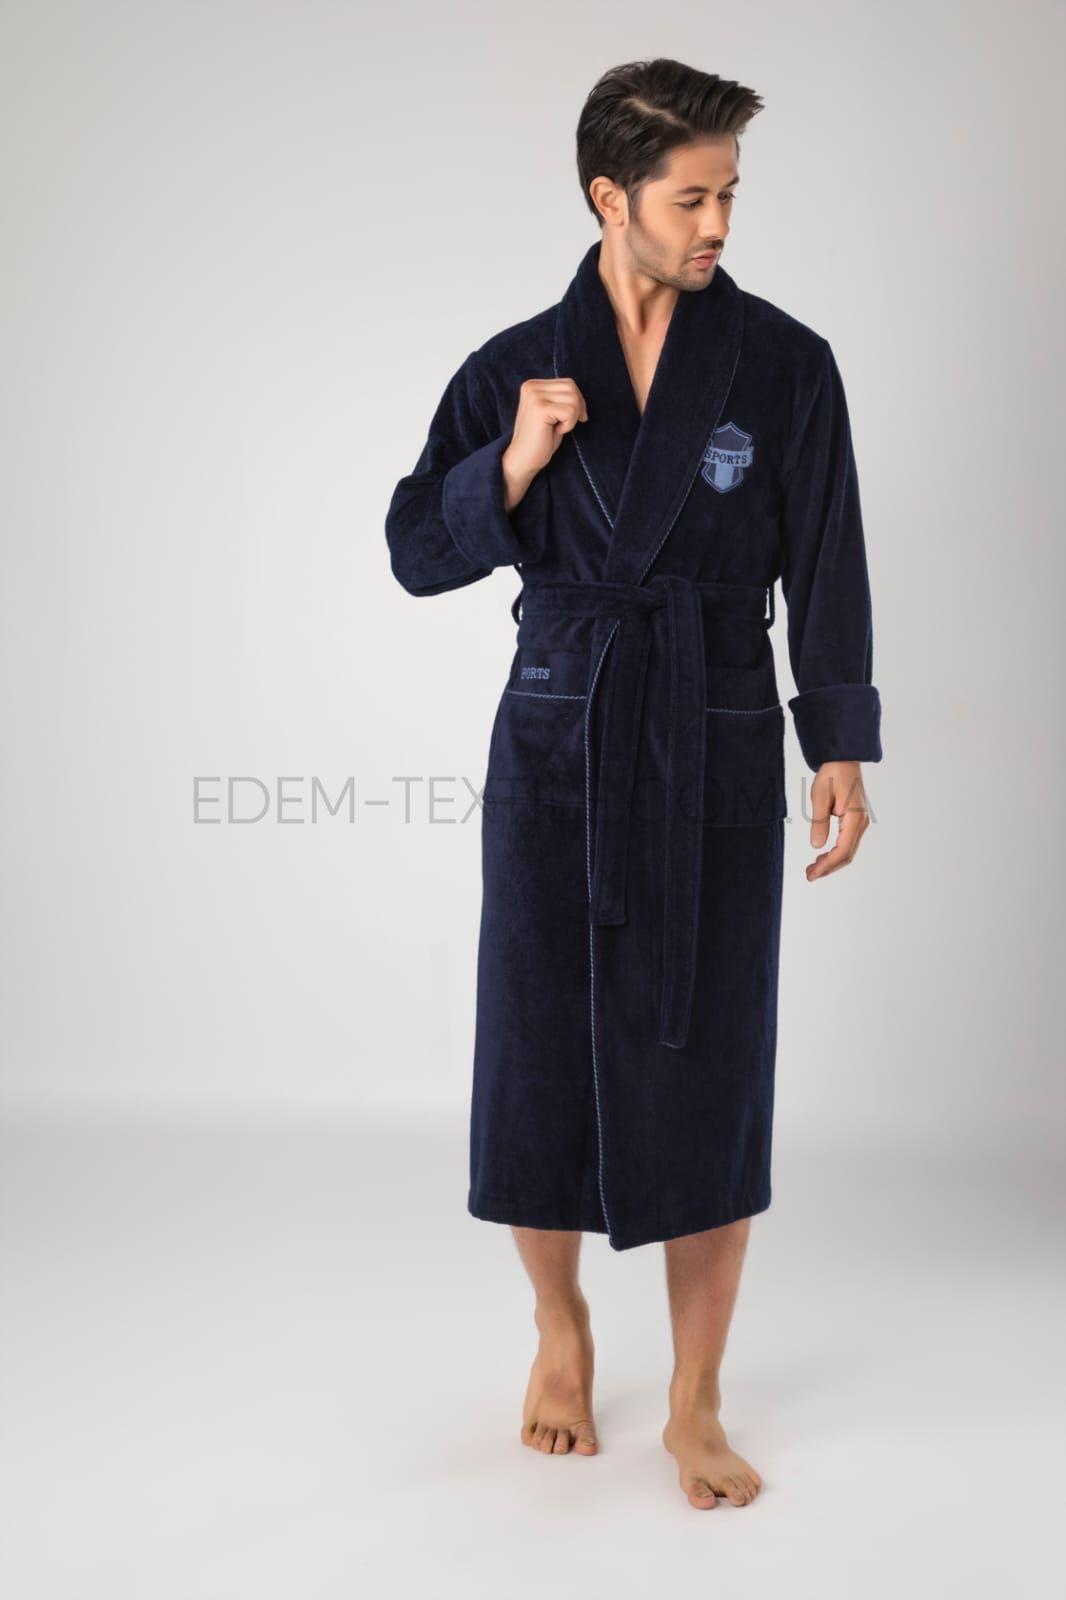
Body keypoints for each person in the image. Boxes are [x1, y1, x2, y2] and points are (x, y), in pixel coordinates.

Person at [384, 58, 882, 1510]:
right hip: (558, 731)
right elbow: (414, 550)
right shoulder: (513, 367)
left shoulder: (784, 364)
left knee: (709, 1051)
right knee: (537, 1041)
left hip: (713, 723)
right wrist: (513, 464)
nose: (718, 222)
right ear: (611, 198)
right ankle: (558, 1326)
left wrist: (836, 740)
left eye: (730, 194)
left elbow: (828, 559)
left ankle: (695, 1394)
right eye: (690, 197)